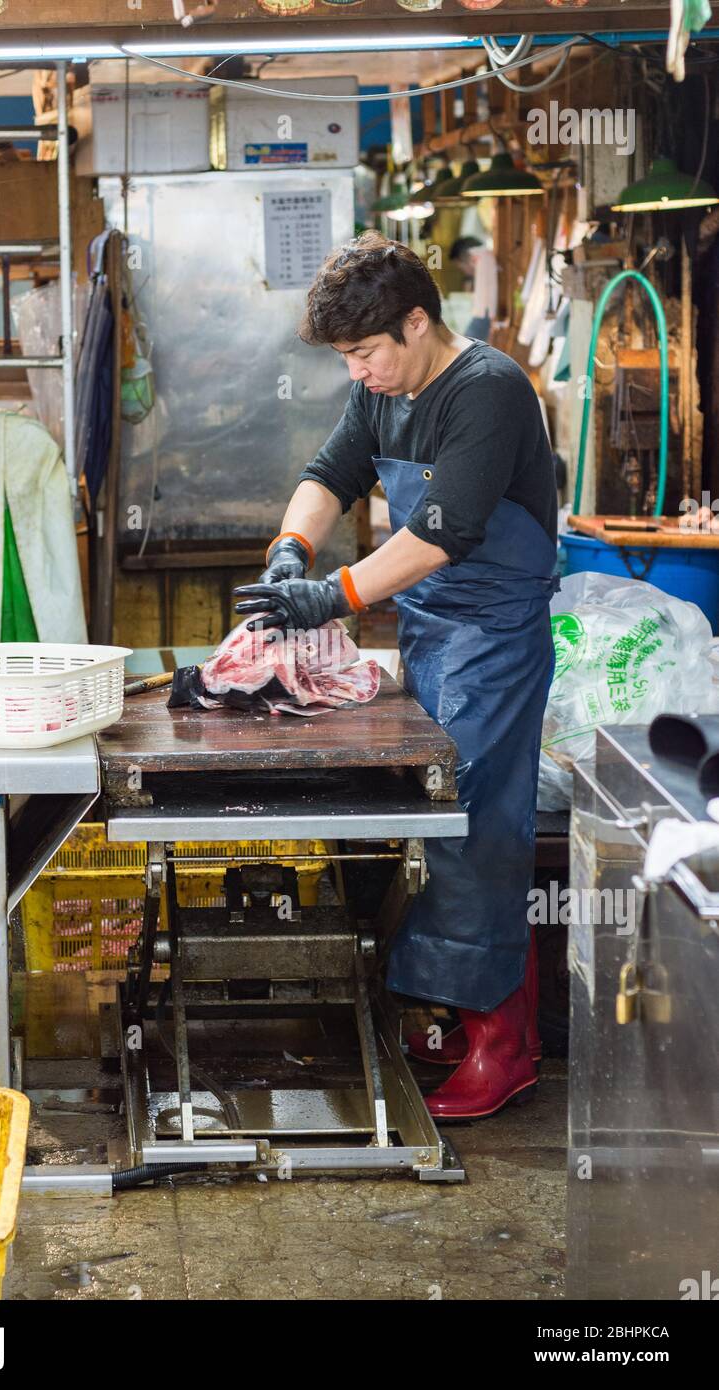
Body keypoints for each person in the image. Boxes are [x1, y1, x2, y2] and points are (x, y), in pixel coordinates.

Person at [234, 231, 558, 1120]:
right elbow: (329, 473)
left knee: (478, 829)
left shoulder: (487, 390)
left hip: (493, 641)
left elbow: (443, 533)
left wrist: (329, 598)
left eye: (366, 352)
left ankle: (507, 1045)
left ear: (418, 323)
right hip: (430, 630)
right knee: (431, 820)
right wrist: (291, 551)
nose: (358, 374)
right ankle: (465, 1013)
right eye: (346, 358)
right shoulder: (385, 392)